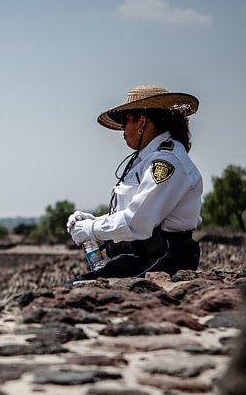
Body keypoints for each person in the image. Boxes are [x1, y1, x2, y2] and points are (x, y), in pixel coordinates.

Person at [67, 85, 202, 279]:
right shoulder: (147, 159)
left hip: (162, 259)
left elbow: (138, 222)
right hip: (141, 256)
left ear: (142, 121)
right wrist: (95, 221)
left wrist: (91, 230)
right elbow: (135, 210)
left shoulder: (166, 162)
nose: (122, 128)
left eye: (125, 120)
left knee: (77, 288)